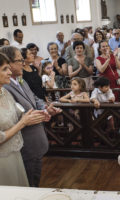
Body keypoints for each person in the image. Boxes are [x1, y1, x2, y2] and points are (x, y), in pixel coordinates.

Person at [0, 46, 61, 187]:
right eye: (19, 60)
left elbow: (32, 99)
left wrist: (45, 109)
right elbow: (18, 119)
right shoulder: (6, 86)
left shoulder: (18, 81)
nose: (24, 63)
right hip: (22, 146)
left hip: (29, 144)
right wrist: (25, 121)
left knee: (30, 183)